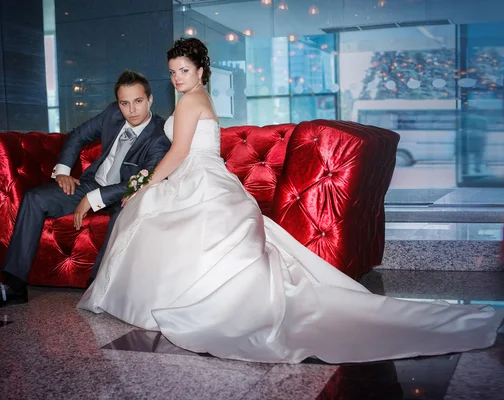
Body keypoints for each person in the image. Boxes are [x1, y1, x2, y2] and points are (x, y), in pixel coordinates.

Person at [78, 38, 503, 364]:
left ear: (201, 70)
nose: (177, 78)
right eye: (172, 72)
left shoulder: (190, 101)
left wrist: (146, 183)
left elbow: (177, 153)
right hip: (205, 176)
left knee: (153, 214)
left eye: (184, 70)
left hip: (198, 177)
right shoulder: (197, 99)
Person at [0, 71, 171, 311]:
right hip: (92, 182)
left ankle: (97, 288)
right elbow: (77, 135)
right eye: (124, 103)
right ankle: (13, 286)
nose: (132, 110)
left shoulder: (160, 135)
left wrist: (93, 198)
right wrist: (63, 171)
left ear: (150, 100)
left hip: (127, 195)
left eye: (138, 101)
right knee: (35, 198)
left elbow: (145, 179)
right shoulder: (112, 114)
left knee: (122, 215)